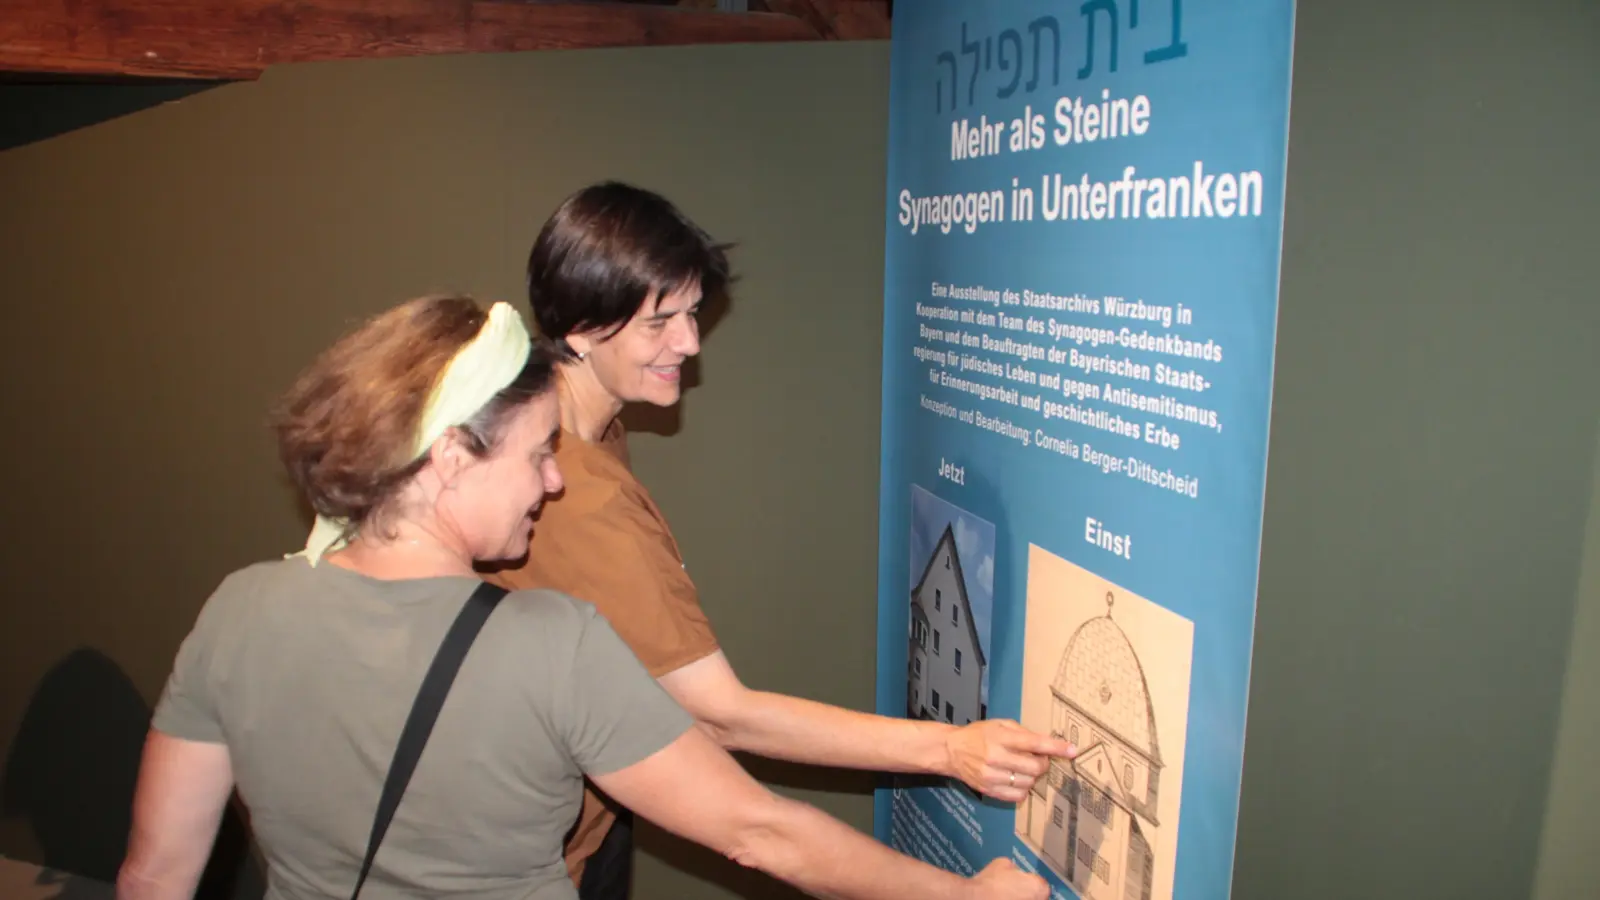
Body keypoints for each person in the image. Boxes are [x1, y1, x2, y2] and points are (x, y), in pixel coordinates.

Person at [117, 294, 1049, 900]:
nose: (553, 484)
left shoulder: (237, 609)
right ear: (449, 461)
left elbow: (155, 875)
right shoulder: (549, 644)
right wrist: (966, 897)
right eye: (535, 456)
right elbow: (760, 831)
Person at [486, 182, 1079, 897]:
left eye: (693, 312)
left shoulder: (585, 429)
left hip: (586, 817)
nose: (690, 342)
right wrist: (951, 749)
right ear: (581, 328)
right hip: (539, 855)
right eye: (659, 322)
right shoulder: (575, 492)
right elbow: (723, 716)